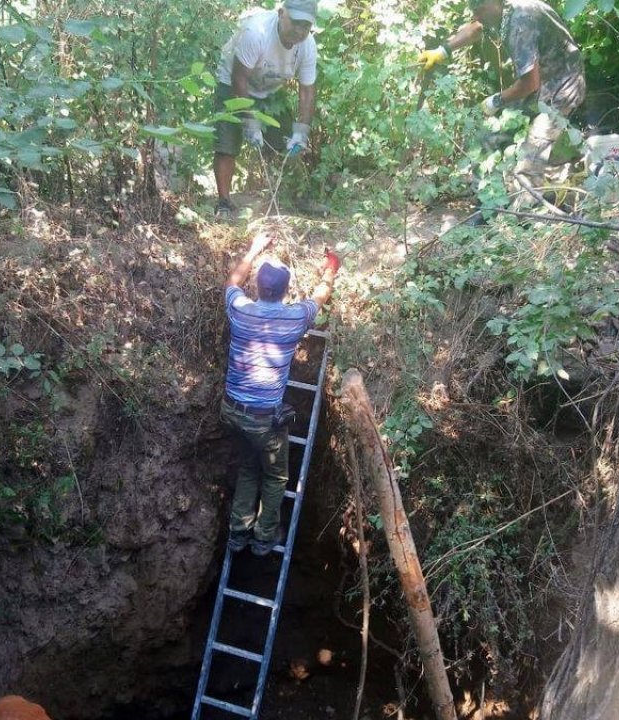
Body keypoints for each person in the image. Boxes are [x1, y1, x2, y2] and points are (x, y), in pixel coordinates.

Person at [221, 227, 338, 556]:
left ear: (257, 287)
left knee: (248, 467)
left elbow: (232, 281)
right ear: (286, 292)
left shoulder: (240, 308)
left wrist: (254, 248)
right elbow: (321, 295)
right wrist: (331, 267)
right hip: (262, 420)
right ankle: (263, 538)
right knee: (274, 477)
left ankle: (238, 533)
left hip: (231, 411)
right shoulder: (294, 318)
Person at [418, 0, 585, 178]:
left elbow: (530, 83)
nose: (476, 16)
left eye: (480, 10)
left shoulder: (521, 21)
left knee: (528, 165)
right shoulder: (502, 9)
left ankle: (531, 189)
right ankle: (485, 188)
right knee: (487, 138)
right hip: (540, 82)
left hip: (563, 87)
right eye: (474, 11)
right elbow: (476, 27)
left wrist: (495, 101)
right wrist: (442, 51)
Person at [212, 0, 320, 218]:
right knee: (227, 143)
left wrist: (302, 131)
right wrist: (249, 121)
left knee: (287, 140)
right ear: (281, 14)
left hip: (269, 89)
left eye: (306, 26)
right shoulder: (256, 32)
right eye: (295, 22)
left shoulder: (307, 46)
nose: (299, 30)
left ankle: (297, 198)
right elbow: (239, 78)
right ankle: (224, 203)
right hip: (233, 83)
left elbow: (307, 91)